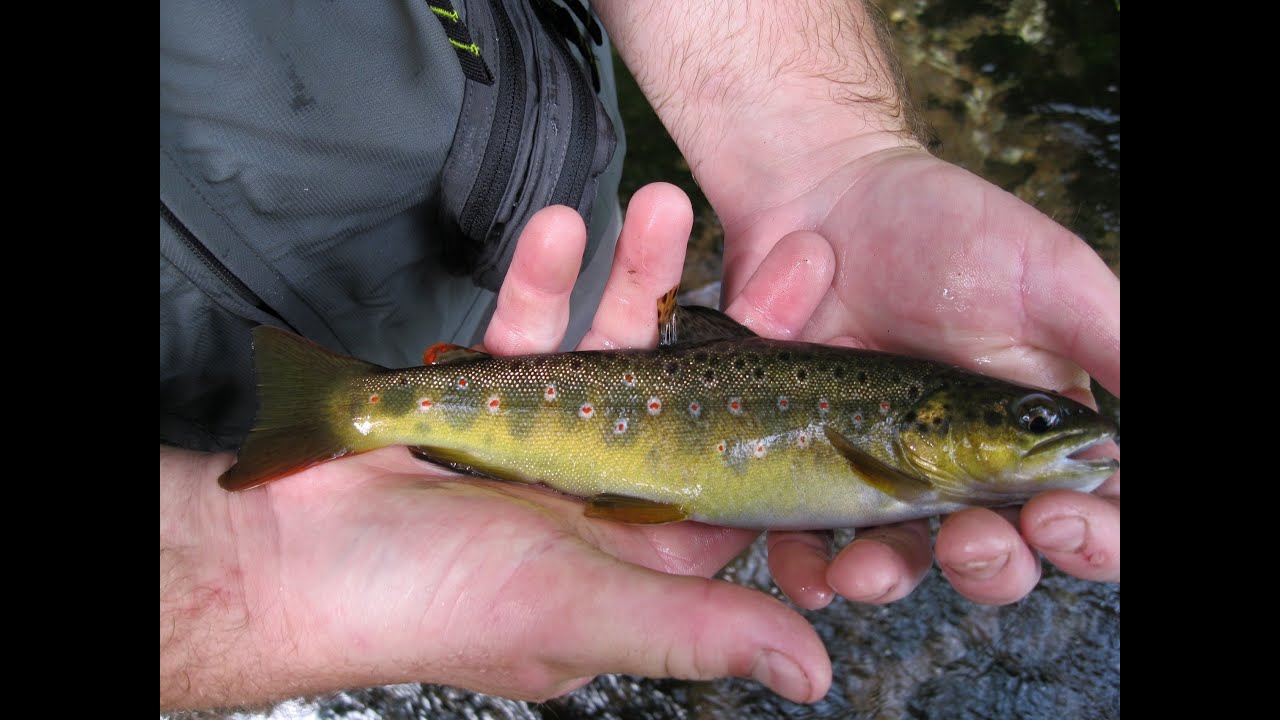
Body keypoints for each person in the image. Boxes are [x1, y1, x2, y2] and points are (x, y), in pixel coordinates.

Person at [160, 0, 1120, 712]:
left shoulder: (912, 460)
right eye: (1035, 420)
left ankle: (352, 410)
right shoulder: (898, 462)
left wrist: (832, 155)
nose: (1059, 429)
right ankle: (347, 413)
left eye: (1035, 420)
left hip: (511, 235)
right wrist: (240, 585)